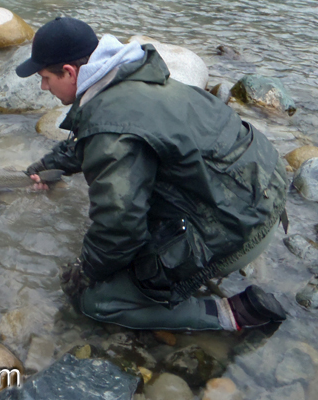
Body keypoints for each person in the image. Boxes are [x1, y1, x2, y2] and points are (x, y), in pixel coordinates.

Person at [16, 16, 288, 331]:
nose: (43, 86)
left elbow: (120, 228)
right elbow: (118, 138)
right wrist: (51, 165)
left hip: (244, 226)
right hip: (265, 188)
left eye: (45, 77)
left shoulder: (109, 120)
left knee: (96, 300)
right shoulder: (133, 78)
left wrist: (86, 272)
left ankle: (233, 314)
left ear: (70, 72)